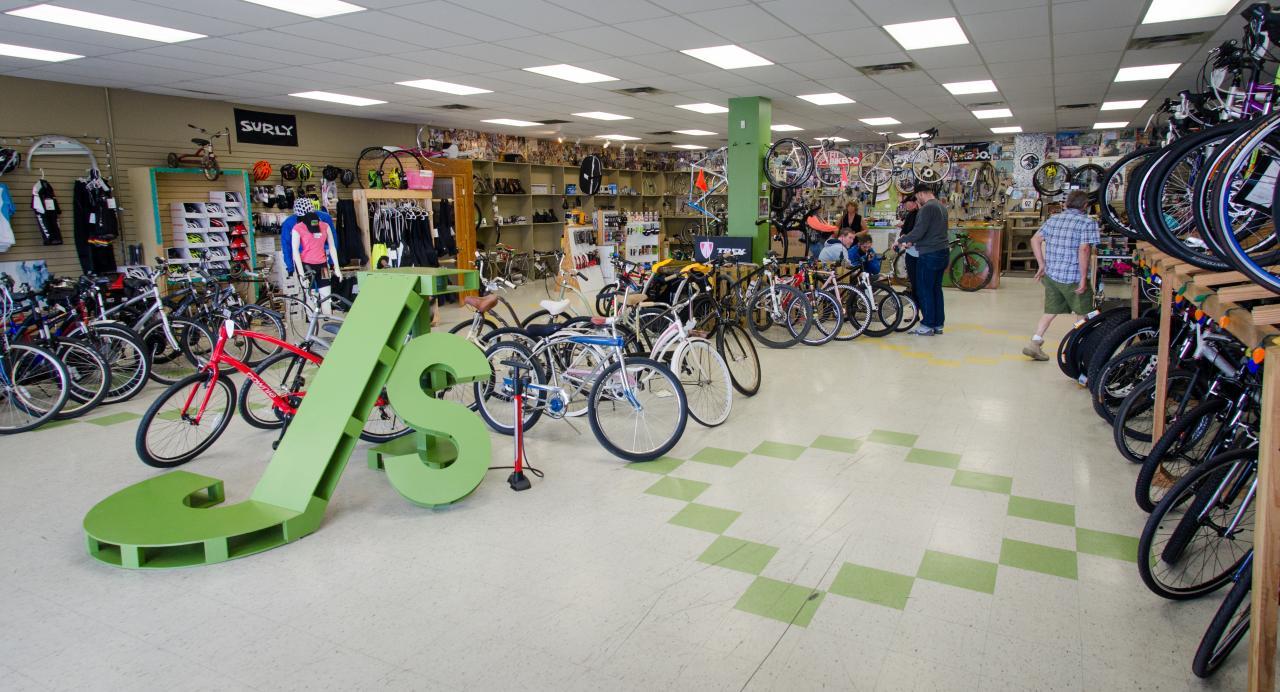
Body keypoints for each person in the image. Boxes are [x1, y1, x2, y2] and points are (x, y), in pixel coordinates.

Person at [1023, 190, 1099, 361]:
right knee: (1083, 313)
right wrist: (1082, 278)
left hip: (1052, 275)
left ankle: (1035, 342)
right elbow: (1084, 249)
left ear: (1065, 204)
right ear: (1085, 206)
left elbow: (1035, 240)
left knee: (1050, 310)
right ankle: (1080, 349)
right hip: (1073, 276)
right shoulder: (1087, 222)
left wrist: (1042, 264)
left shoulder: (1054, 219)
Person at [895, 186, 948, 335]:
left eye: (917, 197)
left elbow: (918, 232)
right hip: (942, 252)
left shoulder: (927, 208)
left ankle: (927, 325)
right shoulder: (941, 206)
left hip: (929, 253)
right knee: (936, 289)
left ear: (921, 194)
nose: (917, 200)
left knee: (925, 289)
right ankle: (938, 324)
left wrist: (901, 240)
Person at [898, 194, 919, 298]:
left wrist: (911, 240)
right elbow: (904, 229)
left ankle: (916, 294)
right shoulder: (910, 214)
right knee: (910, 272)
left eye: (907, 203)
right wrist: (903, 237)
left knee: (917, 276)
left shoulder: (921, 214)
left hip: (919, 250)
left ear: (914, 202)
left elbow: (919, 231)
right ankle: (912, 291)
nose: (905, 205)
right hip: (910, 249)